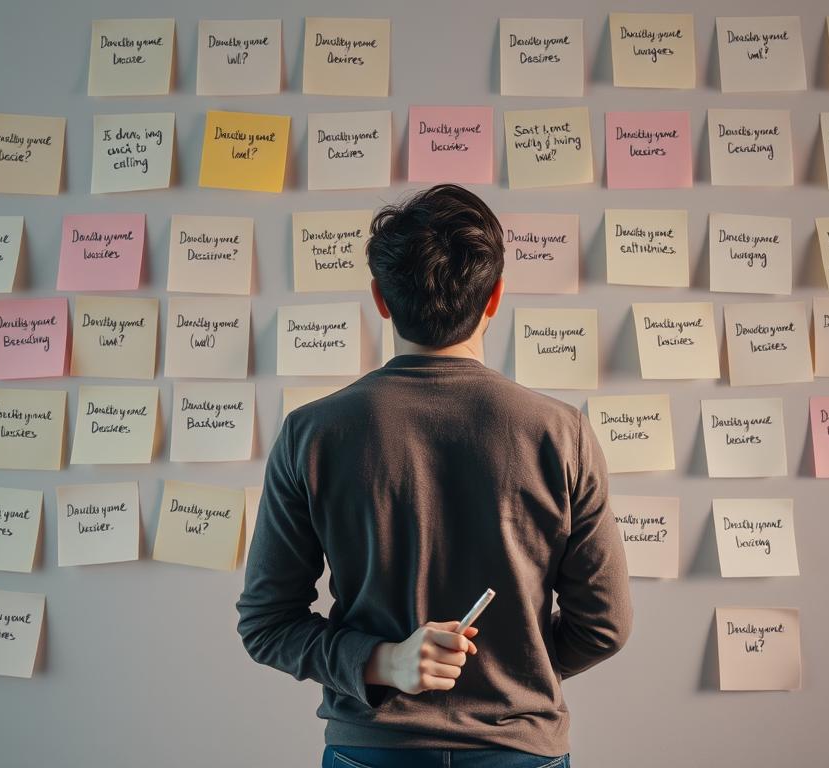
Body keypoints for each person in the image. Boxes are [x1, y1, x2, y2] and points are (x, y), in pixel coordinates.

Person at [236, 184, 633, 768]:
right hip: (520, 752)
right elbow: (606, 626)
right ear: (496, 297)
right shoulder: (561, 432)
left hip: (372, 752)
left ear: (379, 298)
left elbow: (268, 625)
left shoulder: (311, 433)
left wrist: (382, 663)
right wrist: (510, 667)